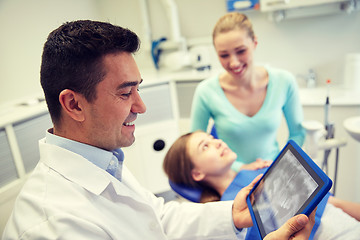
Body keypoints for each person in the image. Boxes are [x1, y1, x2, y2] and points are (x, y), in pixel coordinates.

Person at [1, 20, 313, 240]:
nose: (141, 106)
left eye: (138, 89)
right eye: (126, 93)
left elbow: (158, 218)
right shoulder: (55, 225)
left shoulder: (105, 161)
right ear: (74, 104)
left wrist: (232, 214)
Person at [163, 131, 360, 239]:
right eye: (205, 146)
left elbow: (332, 202)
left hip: (338, 218)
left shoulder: (253, 172)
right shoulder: (229, 214)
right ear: (197, 173)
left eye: (212, 138)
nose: (218, 142)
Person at [190, 12, 305, 171]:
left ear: (254, 43)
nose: (234, 62)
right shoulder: (206, 92)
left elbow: (298, 134)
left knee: (326, 195)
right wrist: (241, 167)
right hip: (230, 174)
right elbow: (193, 148)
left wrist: (280, 164)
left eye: (241, 51)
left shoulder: (284, 81)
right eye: (224, 55)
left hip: (274, 169)